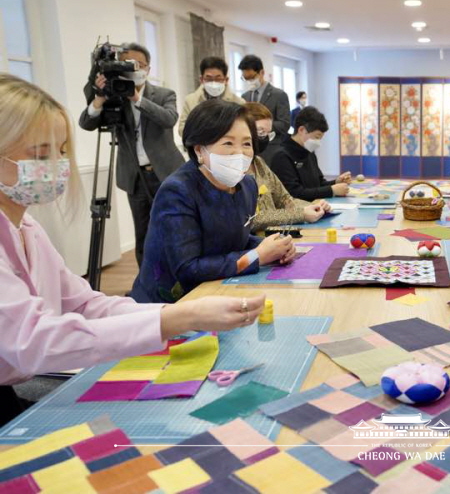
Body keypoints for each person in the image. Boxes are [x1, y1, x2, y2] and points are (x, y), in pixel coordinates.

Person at [0, 74, 266, 425]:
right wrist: (178, 317)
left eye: (62, 151)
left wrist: (176, 318)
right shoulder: (180, 188)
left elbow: (85, 304)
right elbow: (31, 342)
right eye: (40, 154)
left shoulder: (28, 229)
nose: (57, 165)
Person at [130, 100, 296, 304]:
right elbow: (187, 268)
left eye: (246, 143)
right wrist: (256, 256)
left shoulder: (247, 185)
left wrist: (275, 247)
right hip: (171, 306)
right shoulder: (177, 191)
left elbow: (236, 238)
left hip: (222, 291)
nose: (240, 153)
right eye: (228, 143)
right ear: (199, 150)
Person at [79, 42, 185, 267]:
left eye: (137, 64)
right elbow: (86, 123)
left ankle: (178, 278)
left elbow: (169, 119)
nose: (133, 69)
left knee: (174, 227)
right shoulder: (113, 96)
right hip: (134, 176)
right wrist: (99, 98)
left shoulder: (164, 94)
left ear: (147, 68)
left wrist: (136, 98)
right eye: (127, 64)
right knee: (143, 233)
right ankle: (146, 285)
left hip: (166, 173)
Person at [243, 102, 331, 229]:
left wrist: (313, 206)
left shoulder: (259, 163)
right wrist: (300, 214)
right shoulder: (235, 169)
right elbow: (252, 219)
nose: (264, 138)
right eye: (261, 132)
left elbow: (285, 200)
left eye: (268, 134)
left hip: (274, 238)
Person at [269, 106, 351, 202]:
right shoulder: (282, 157)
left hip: (316, 209)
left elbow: (318, 184)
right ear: (301, 130)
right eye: (316, 137)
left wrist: (335, 182)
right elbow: (294, 193)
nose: (318, 142)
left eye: (320, 138)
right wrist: (331, 190)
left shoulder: (309, 152)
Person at [179, 56, 244, 136]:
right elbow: (182, 129)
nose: (213, 82)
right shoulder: (191, 100)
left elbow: (243, 129)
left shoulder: (238, 102)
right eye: (209, 79)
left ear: (226, 80)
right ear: (201, 79)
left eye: (218, 79)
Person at [238, 55, 291, 136]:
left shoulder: (279, 95)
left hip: (272, 144)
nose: (249, 81)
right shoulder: (245, 96)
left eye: (252, 78)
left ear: (262, 72)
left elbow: (284, 124)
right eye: (246, 78)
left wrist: (260, 126)